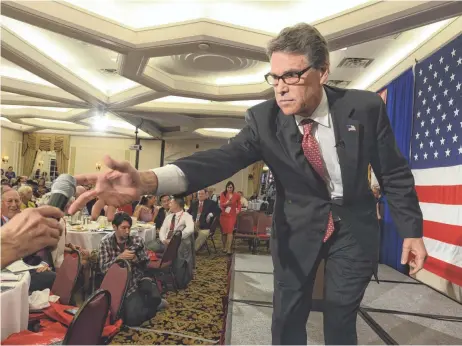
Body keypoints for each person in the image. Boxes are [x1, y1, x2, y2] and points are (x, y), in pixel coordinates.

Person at [70, 23, 427, 345]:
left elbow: (393, 172)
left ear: (323, 71)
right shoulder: (263, 120)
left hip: (354, 228)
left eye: (292, 76)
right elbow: (220, 160)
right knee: (287, 318)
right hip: (296, 230)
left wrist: (411, 230)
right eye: (274, 78)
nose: (281, 89)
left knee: (340, 318)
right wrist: (148, 179)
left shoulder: (364, 108)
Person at [98, 212, 166, 326]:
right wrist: (119, 258)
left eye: (129, 228)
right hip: (115, 284)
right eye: (123, 228)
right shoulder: (105, 243)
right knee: (121, 317)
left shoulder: (137, 241)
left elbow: (146, 264)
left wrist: (136, 259)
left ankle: (152, 303)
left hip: (134, 282)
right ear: (114, 227)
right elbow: (103, 270)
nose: (127, 231)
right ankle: (148, 303)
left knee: (132, 320)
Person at [1, 188, 64, 269]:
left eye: (16, 201)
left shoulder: (29, 220)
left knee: (50, 277)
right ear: (1, 203)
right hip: (4, 270)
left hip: (29, 267)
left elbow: (42, 246)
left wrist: (44, 263)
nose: (14, 205)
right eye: (9, 201)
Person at [219, 181, 241, 255]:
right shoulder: (223, 194)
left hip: (232, 216)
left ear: (233, 187)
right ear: (226, 187)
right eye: (228, 187)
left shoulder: (237, 195)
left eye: (231, 187)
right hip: (223, 215)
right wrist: (226, 204)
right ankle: (224, 247)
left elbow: (239, 204)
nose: (229, 189)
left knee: (230, 232)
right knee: (224, 233)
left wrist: (238, 209)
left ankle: (229, 249)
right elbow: (221, 204)